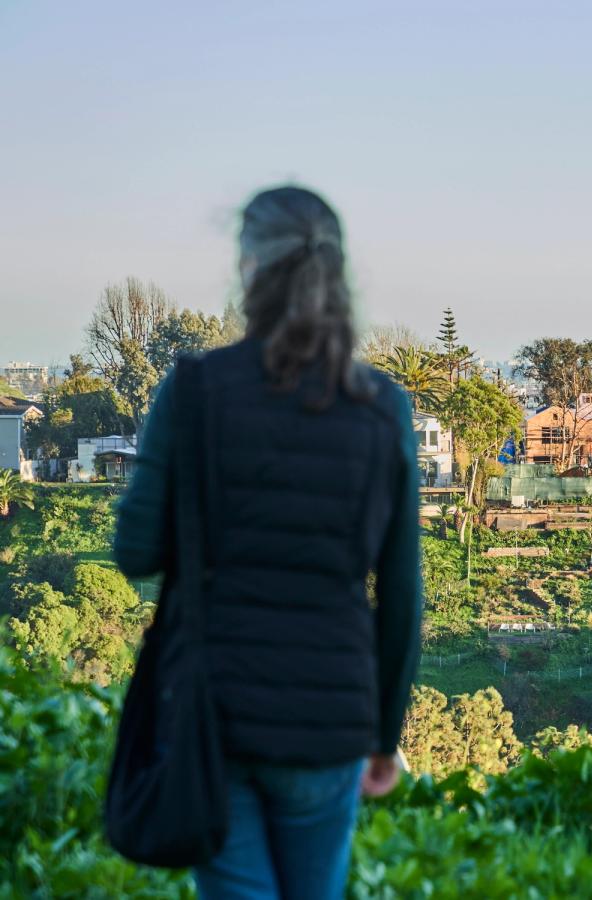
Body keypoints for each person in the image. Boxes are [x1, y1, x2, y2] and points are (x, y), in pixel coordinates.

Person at [114, 186, 423, 900]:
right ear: (338, 276)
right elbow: (403, 593)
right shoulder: (383, 409)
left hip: (212, 709)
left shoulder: (194, 391)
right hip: (332, 717)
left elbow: (135, 551)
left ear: (249, 269)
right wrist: (384, 732)